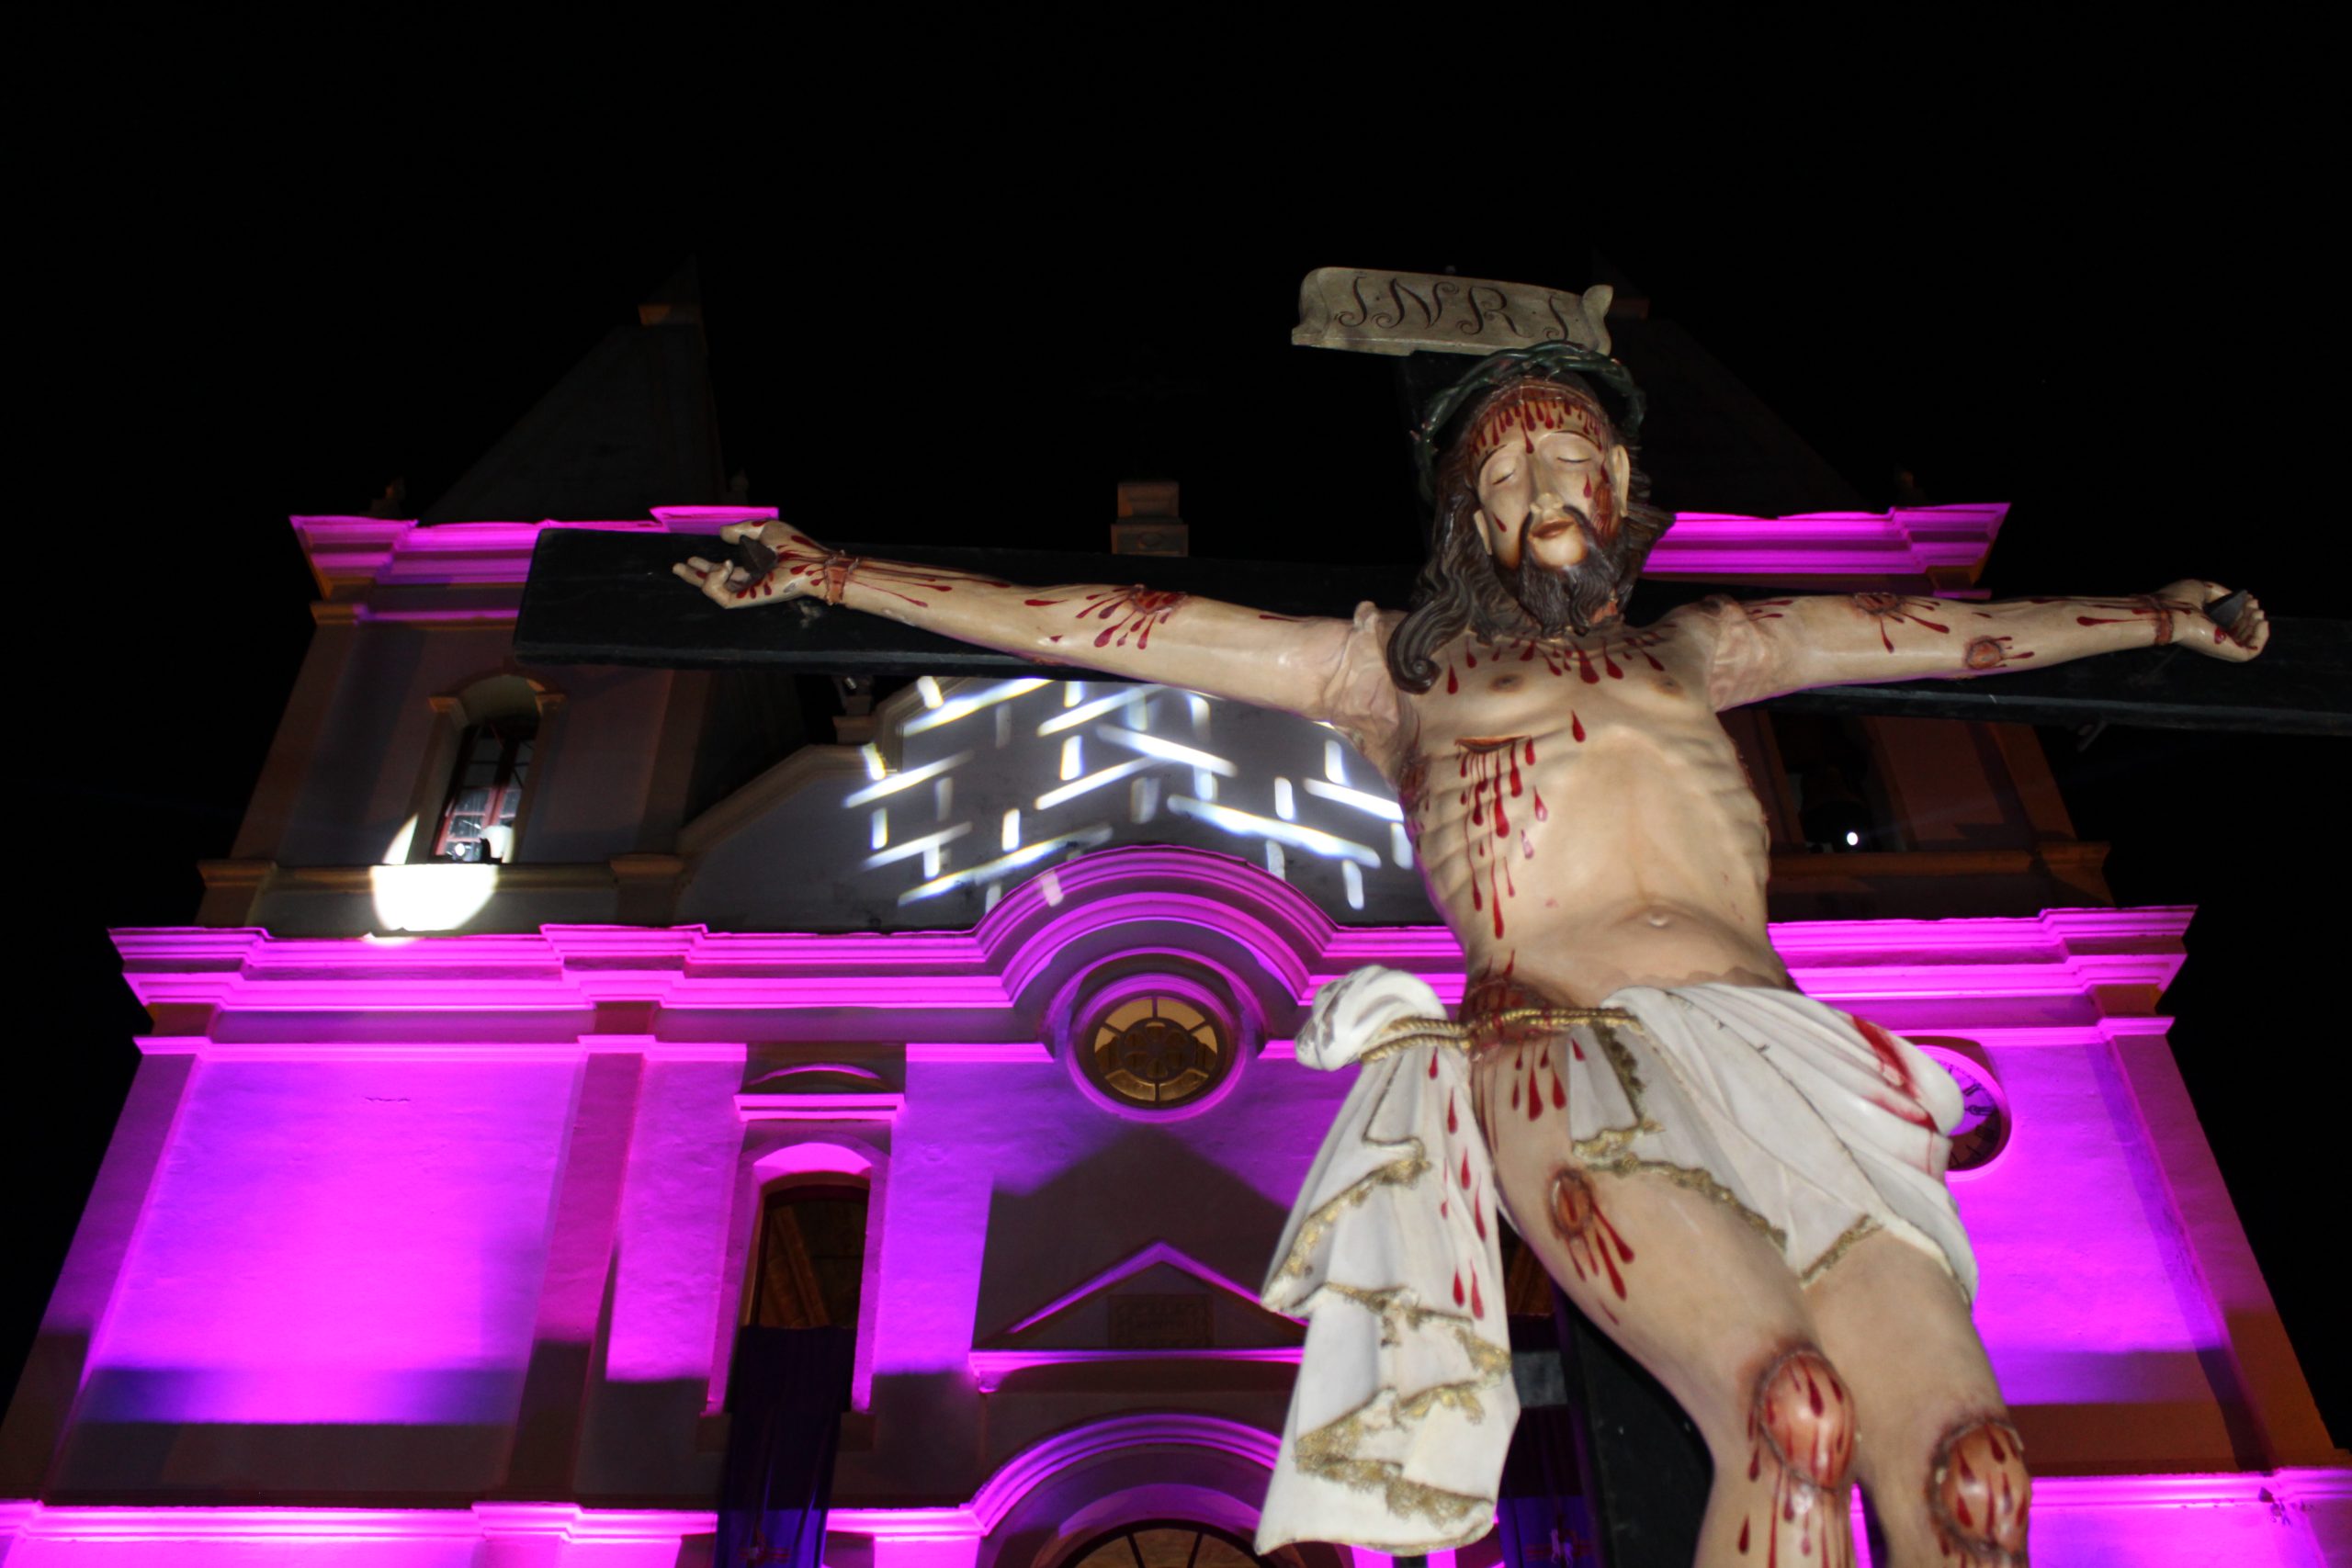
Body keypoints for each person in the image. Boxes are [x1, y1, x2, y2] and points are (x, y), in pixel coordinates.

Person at [674, 344, 2264, 1568]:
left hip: (1791, 1055)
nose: (1551, 478)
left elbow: (1929, 633)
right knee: (1791, 1410)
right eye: (1514, 465)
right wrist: (835, 576)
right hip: (1564, 1044)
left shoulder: (1700, 650)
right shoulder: (1389, 674)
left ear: (1623, 477)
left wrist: (2155, 615)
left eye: (1579, 450)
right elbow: (1103, 622)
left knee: (1973, 1471)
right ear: (1469, 511)